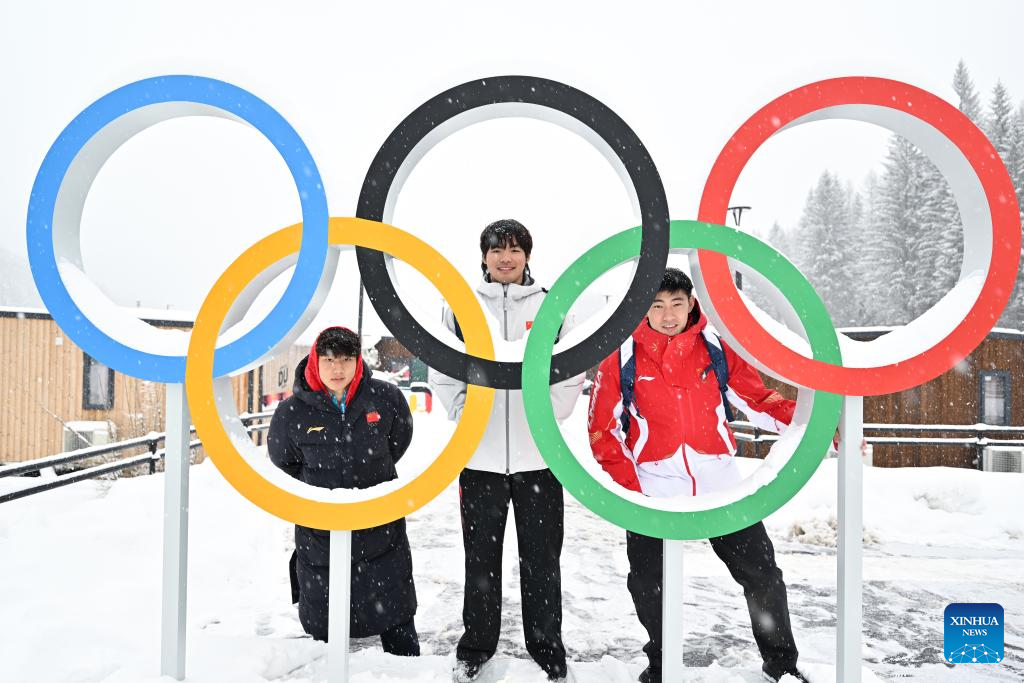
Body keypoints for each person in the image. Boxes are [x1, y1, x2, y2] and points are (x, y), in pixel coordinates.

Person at [587, 268, 810, 683]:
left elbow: (759, 400)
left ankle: (782, 665)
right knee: (648, 583)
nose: (668, 315)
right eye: (657, 306)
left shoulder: (715, 346)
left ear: (692, 303)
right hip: (654, 485)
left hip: (718, 482)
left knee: (762, 574)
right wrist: (634, 493)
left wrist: (817, 426)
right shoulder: (622, 356)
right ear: (644, 309)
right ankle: (662, 664)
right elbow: (603, 430)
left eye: (677, 303)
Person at [430, 219, 585, 682]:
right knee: (480, 560)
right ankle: (476, 646)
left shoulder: (551, 305)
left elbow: (571, 367)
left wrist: (547, 417)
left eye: (514, 249)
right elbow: (442, 366)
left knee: (542, 561)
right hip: (480, 460)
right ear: (484, 256)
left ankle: (547, 648)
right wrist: (464, 415)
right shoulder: (461, 306)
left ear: (527, 256)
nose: (505, 258)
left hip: (540, 460)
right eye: (496, 250)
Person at [268, 326, 419, 656]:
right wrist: (323, 488)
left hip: (380, 528)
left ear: (358, 360)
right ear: (315, 361)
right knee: (326, 631)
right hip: (321, 533)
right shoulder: (292, 412)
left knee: (395, 615)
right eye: (329, 360)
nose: (338, 369)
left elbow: (399, 441)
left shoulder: (386, 399)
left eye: (346, 359)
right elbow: (284, 461)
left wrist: (369, 476)